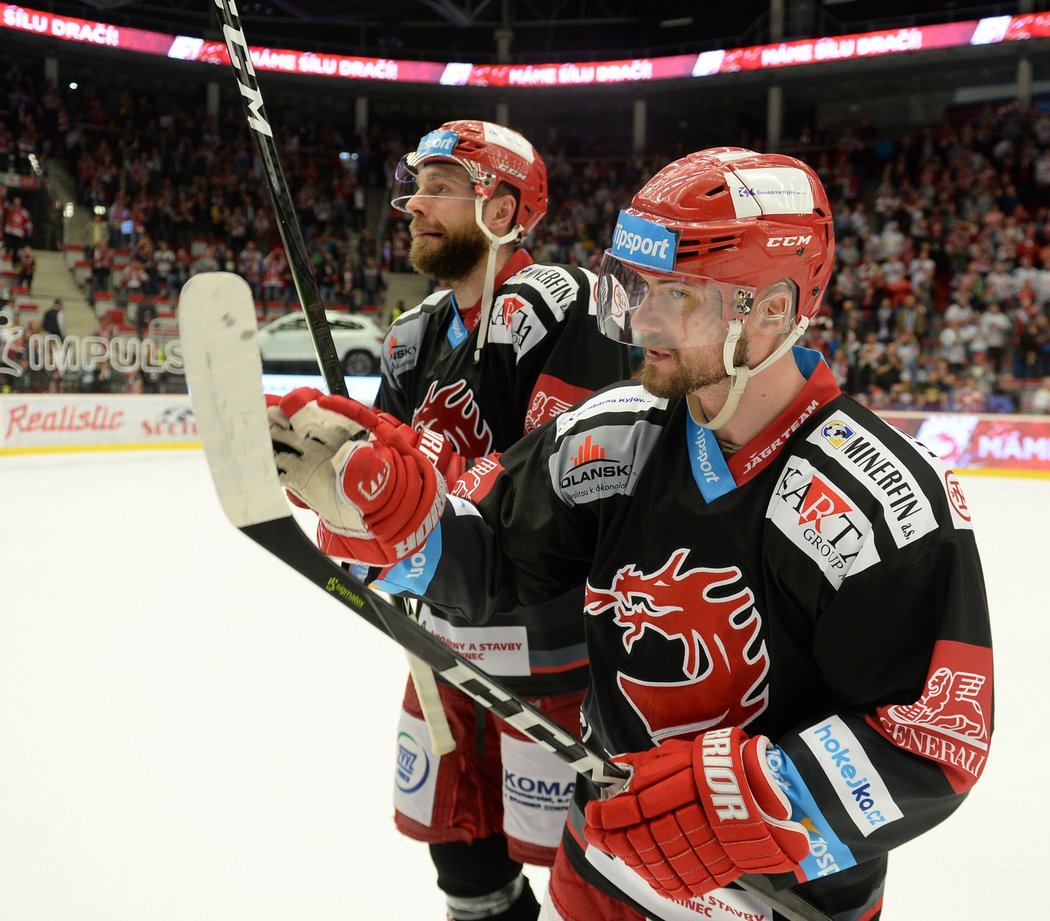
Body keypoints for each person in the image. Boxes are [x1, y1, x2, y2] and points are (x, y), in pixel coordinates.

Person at [269, 148, 993, 921]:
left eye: (676, 296)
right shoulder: (614, 436)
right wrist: (403, 513)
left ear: (772, 310)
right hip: (606, 868)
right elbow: (491, 556)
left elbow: (934, 737)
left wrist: (753, 802)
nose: (640, 320)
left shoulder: (880, 502)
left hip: (781, 900)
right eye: (634, 288)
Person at [273, 120, 631, 921]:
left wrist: (422, 501)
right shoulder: (413, 335)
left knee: (586, 867)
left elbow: (558, 482)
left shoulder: (562, 306)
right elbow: (384, 491)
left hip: (550, 649)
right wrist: (344, 496)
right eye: (415, 187)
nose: (413, 205)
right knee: (463, 854)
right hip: (442, 637)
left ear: (502, 208)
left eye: (440, 187)